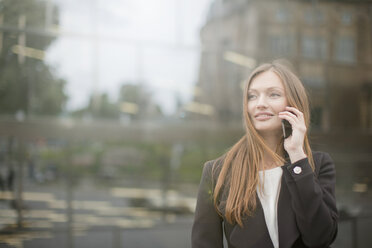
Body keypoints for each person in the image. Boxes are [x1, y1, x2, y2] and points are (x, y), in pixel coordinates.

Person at [191, 60, 338, 248]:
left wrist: (296, 155)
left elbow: (320, 238)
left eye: (273, 94)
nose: (260, 104)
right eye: (252, 96)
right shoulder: (217, 171)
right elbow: (205, 243)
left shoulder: (316, 164)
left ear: (294, 103)